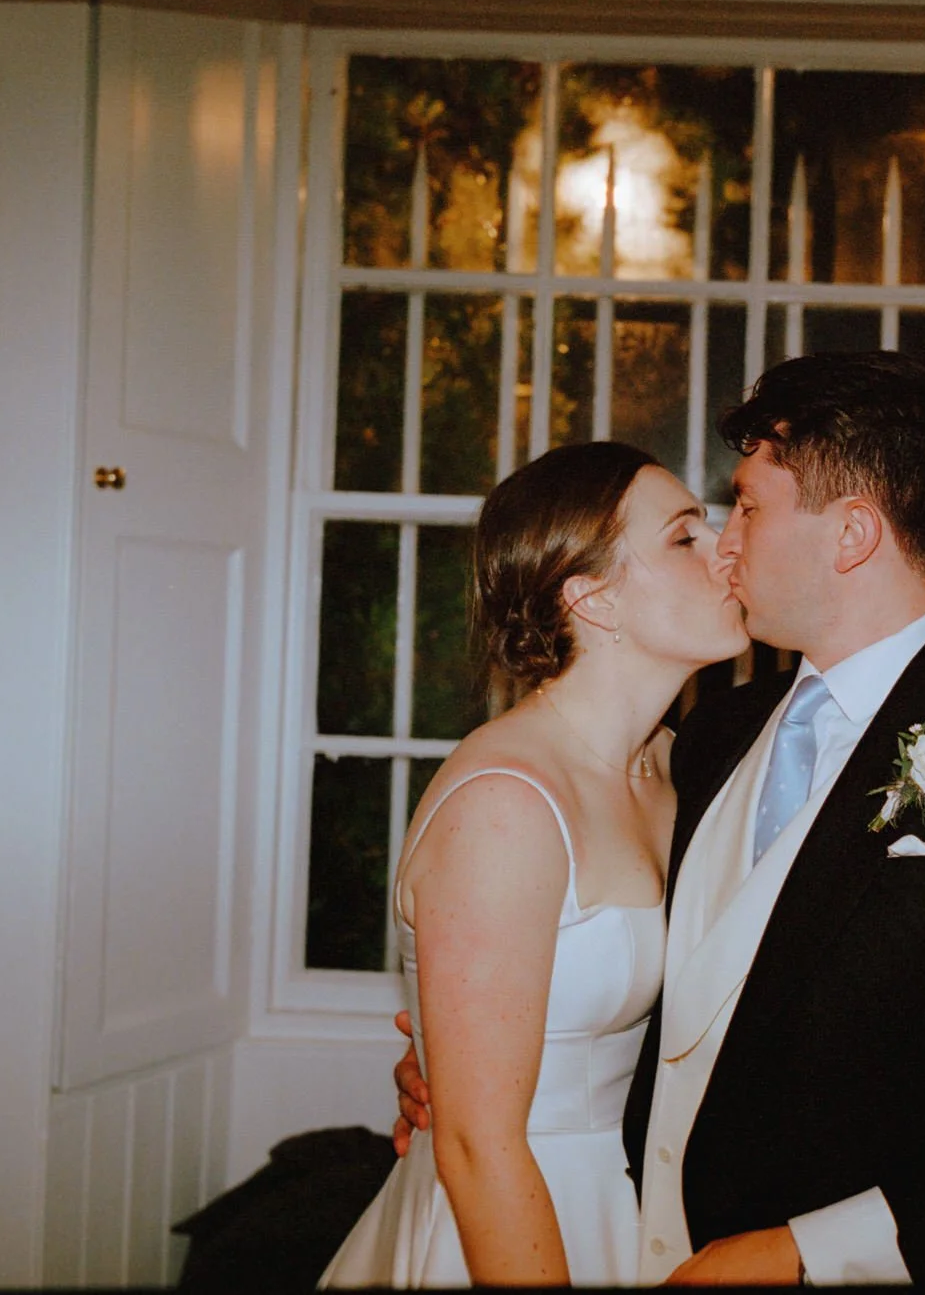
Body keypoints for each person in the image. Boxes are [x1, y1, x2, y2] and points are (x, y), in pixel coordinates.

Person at [397, 351, 925, 1285]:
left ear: (851, 534)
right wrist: (484, 1065)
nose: (727, 546)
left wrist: (801, 1255)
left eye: (750, 510)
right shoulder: (708, 737)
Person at [320, 441, 749, 1287]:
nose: (727, 550)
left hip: (638, 1207)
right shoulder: (506, 804)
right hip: (511, 1215)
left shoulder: (677, 765)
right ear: (591, 597)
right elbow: (480, 1144)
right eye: (685, 537)